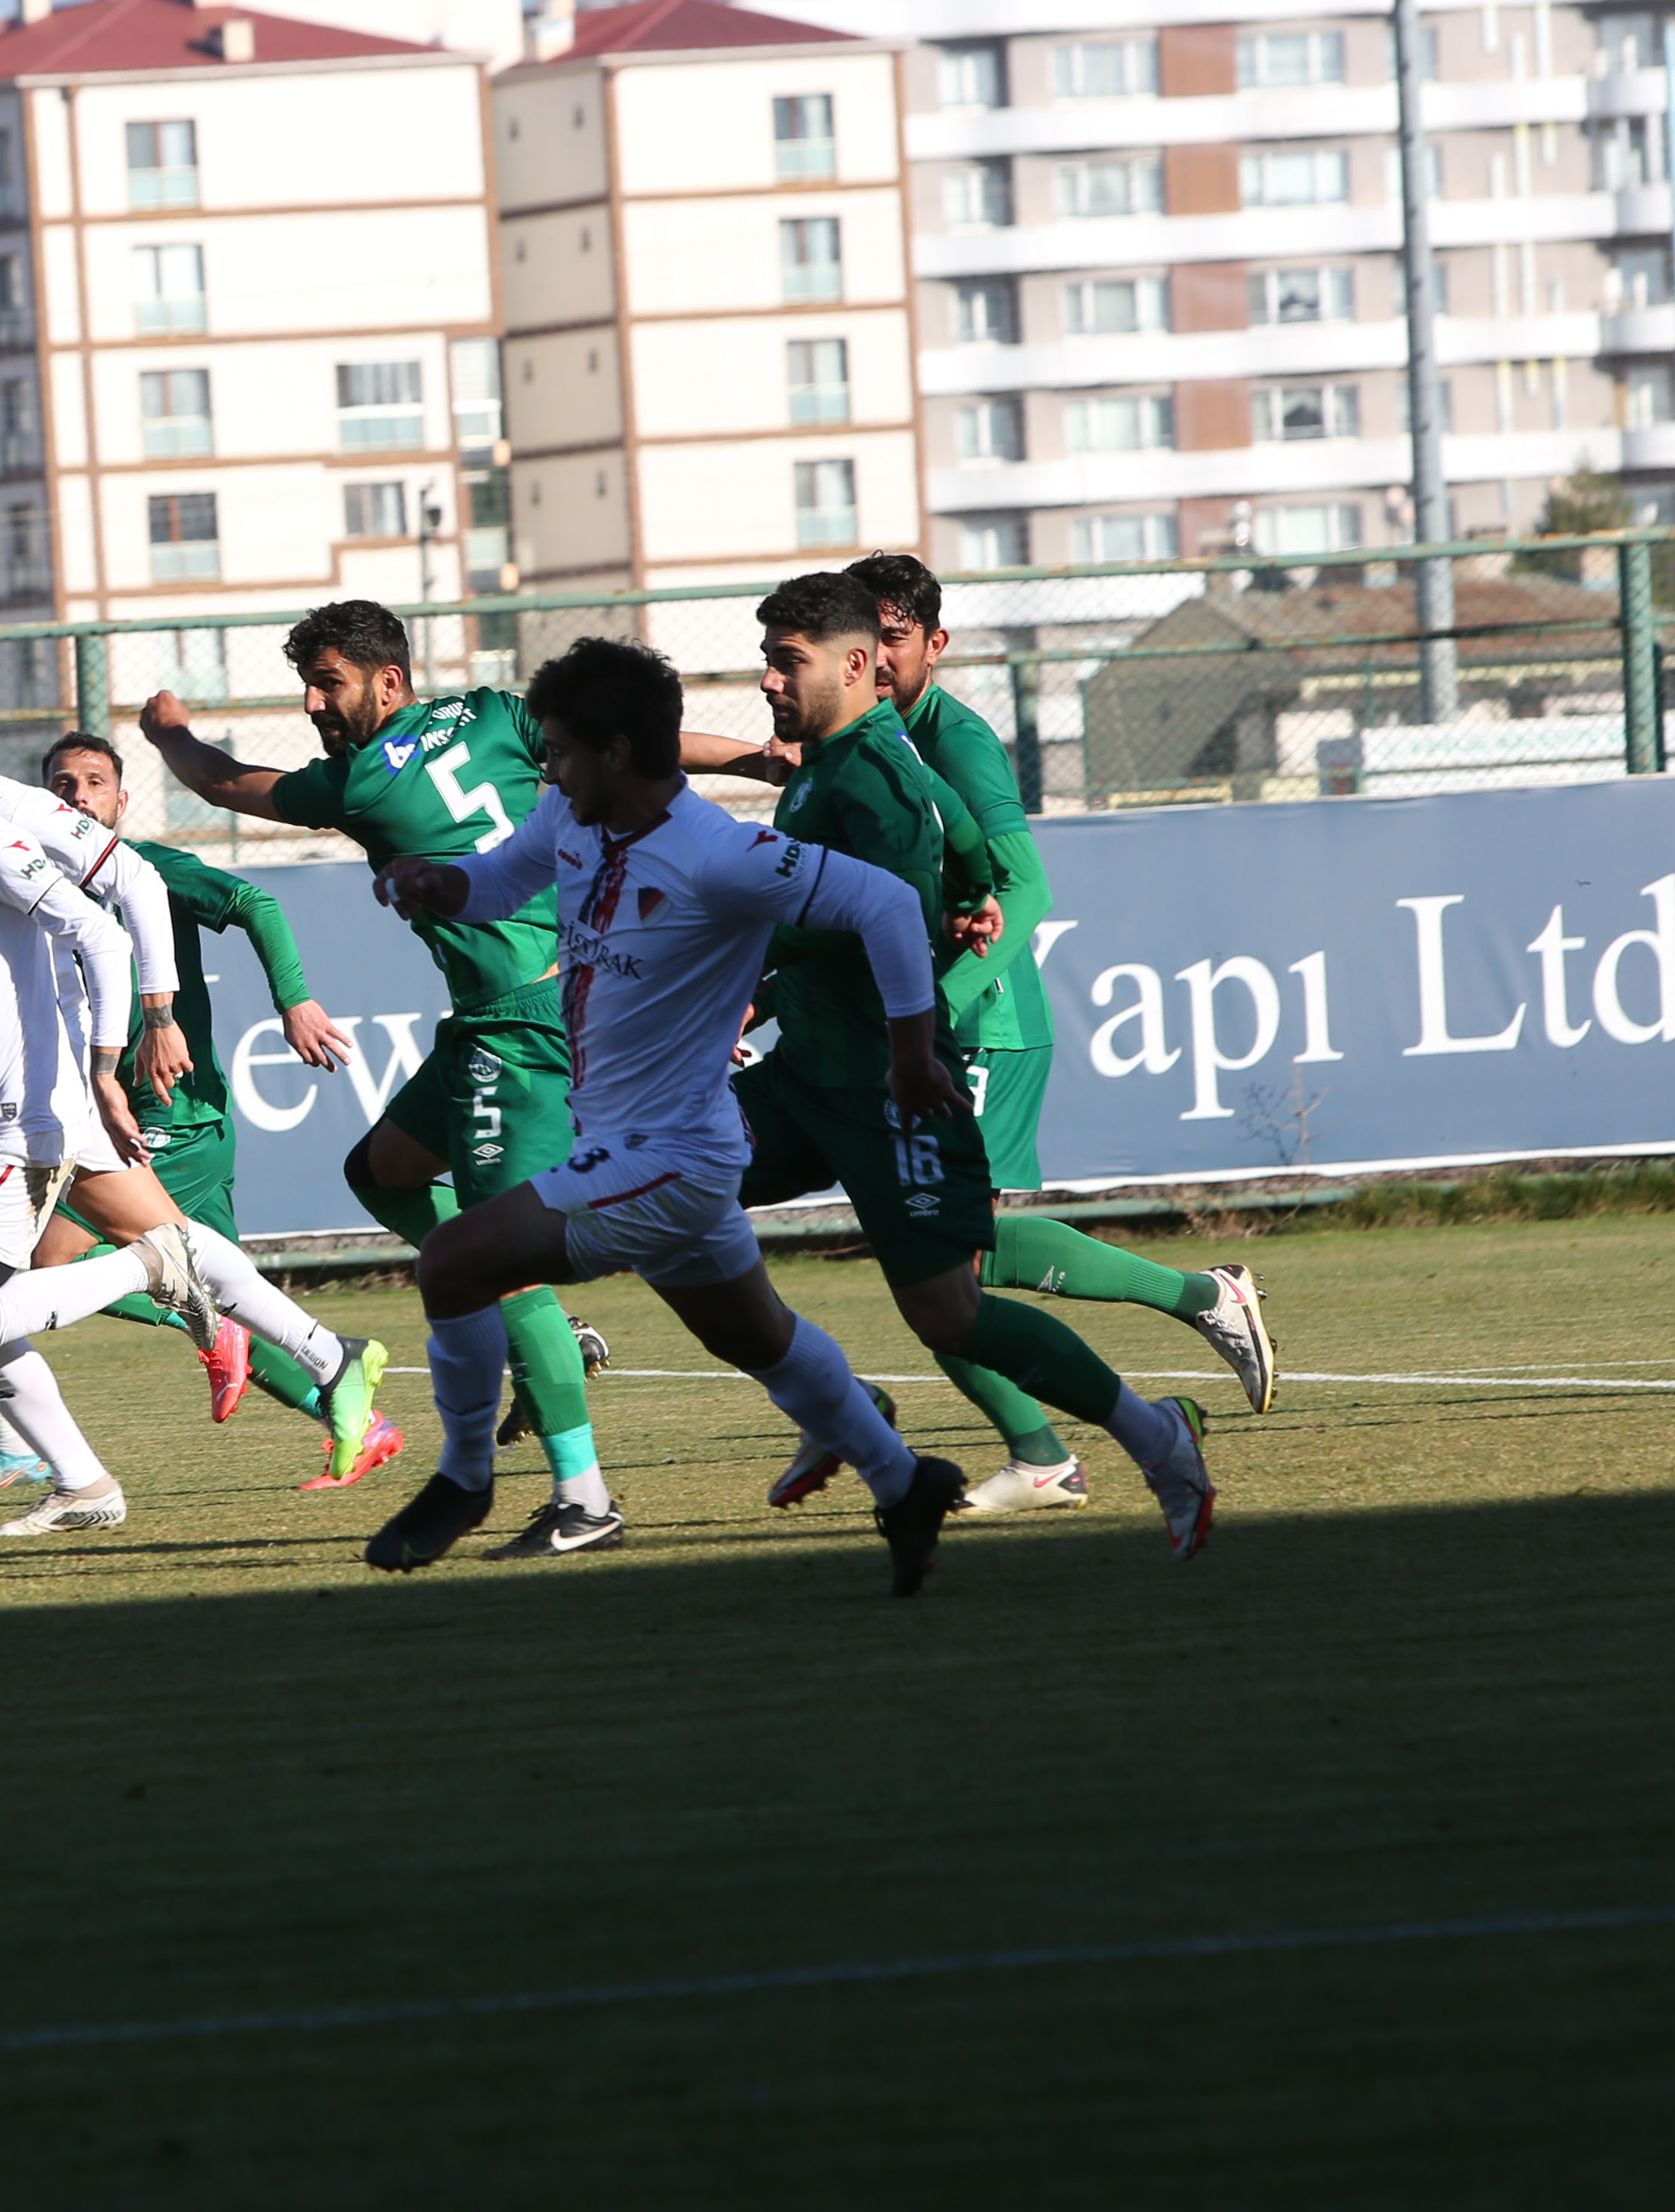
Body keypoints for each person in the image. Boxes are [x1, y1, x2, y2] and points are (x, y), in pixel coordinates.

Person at [365, 635, 974, 1589]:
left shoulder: (719, 853)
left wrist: (909, 1053)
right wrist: (437, 883)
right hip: (632, 1146)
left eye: (562, 750)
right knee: (756, 1340)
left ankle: (466, 1478)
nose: (549, 768)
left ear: (613, 752)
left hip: (675, 1156)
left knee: (454, 1259)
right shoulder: (570, 821)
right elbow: (493, 882)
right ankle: (905, 1481)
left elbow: (891, 904)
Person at [0, 653, 390, 1537]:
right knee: (174, 1237)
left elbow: (108, 921)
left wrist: (122, 1049)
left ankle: (35, 1411)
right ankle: (332, 1364)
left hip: (22, 1111)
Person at [721, 572, 1219, 1559]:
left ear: (856, 665)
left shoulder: (880, 778)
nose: (770, 680)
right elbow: (945, 880)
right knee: (659, 1190)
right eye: (768, 660)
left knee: (952, 1308)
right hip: (804, 1078)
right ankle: (837, 1401)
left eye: (789, 661)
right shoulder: (826, 767)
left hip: (883, 1089)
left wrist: (813, 971)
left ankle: (1155, 1436)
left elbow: (906, 912)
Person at [134, 601, 602, 1506]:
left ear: (390, 683)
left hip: (524, 1019)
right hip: (527, 1004)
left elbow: (228, 785)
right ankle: (542, 1328)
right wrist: (752, 759)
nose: (313, 703)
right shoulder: (500, 713)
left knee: (503, 1254)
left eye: (328, 684)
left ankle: (582, 1496)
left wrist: (169, 733)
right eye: (307, 684)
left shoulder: (363, 783)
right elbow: (632, 743)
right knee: (383, 1171)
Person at [843, 552, 1279, 1502]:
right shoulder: (866, 738)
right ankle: (1174, 1329)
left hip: (982, 1026)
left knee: (940, 1267)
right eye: (864, 638)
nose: (877, 657)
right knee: (942, 1262)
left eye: (896, 639)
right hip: (929, 1029)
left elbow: (1028, 888)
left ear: (934, 646)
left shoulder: (953, 743)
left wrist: (943, 1005)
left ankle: (1073, 1428)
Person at [37, 729, 399, 1478]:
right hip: (116, 1114)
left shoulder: (148, 871)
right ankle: (364, 1425)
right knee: (242, 1306)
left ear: (121, 801)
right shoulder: (34, 887)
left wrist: (294, 1002)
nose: (77, 796)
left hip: (171, 1115)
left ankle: (202, 1321)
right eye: (63, 784)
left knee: (53, 1261)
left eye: (94, 783)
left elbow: (255, 902)